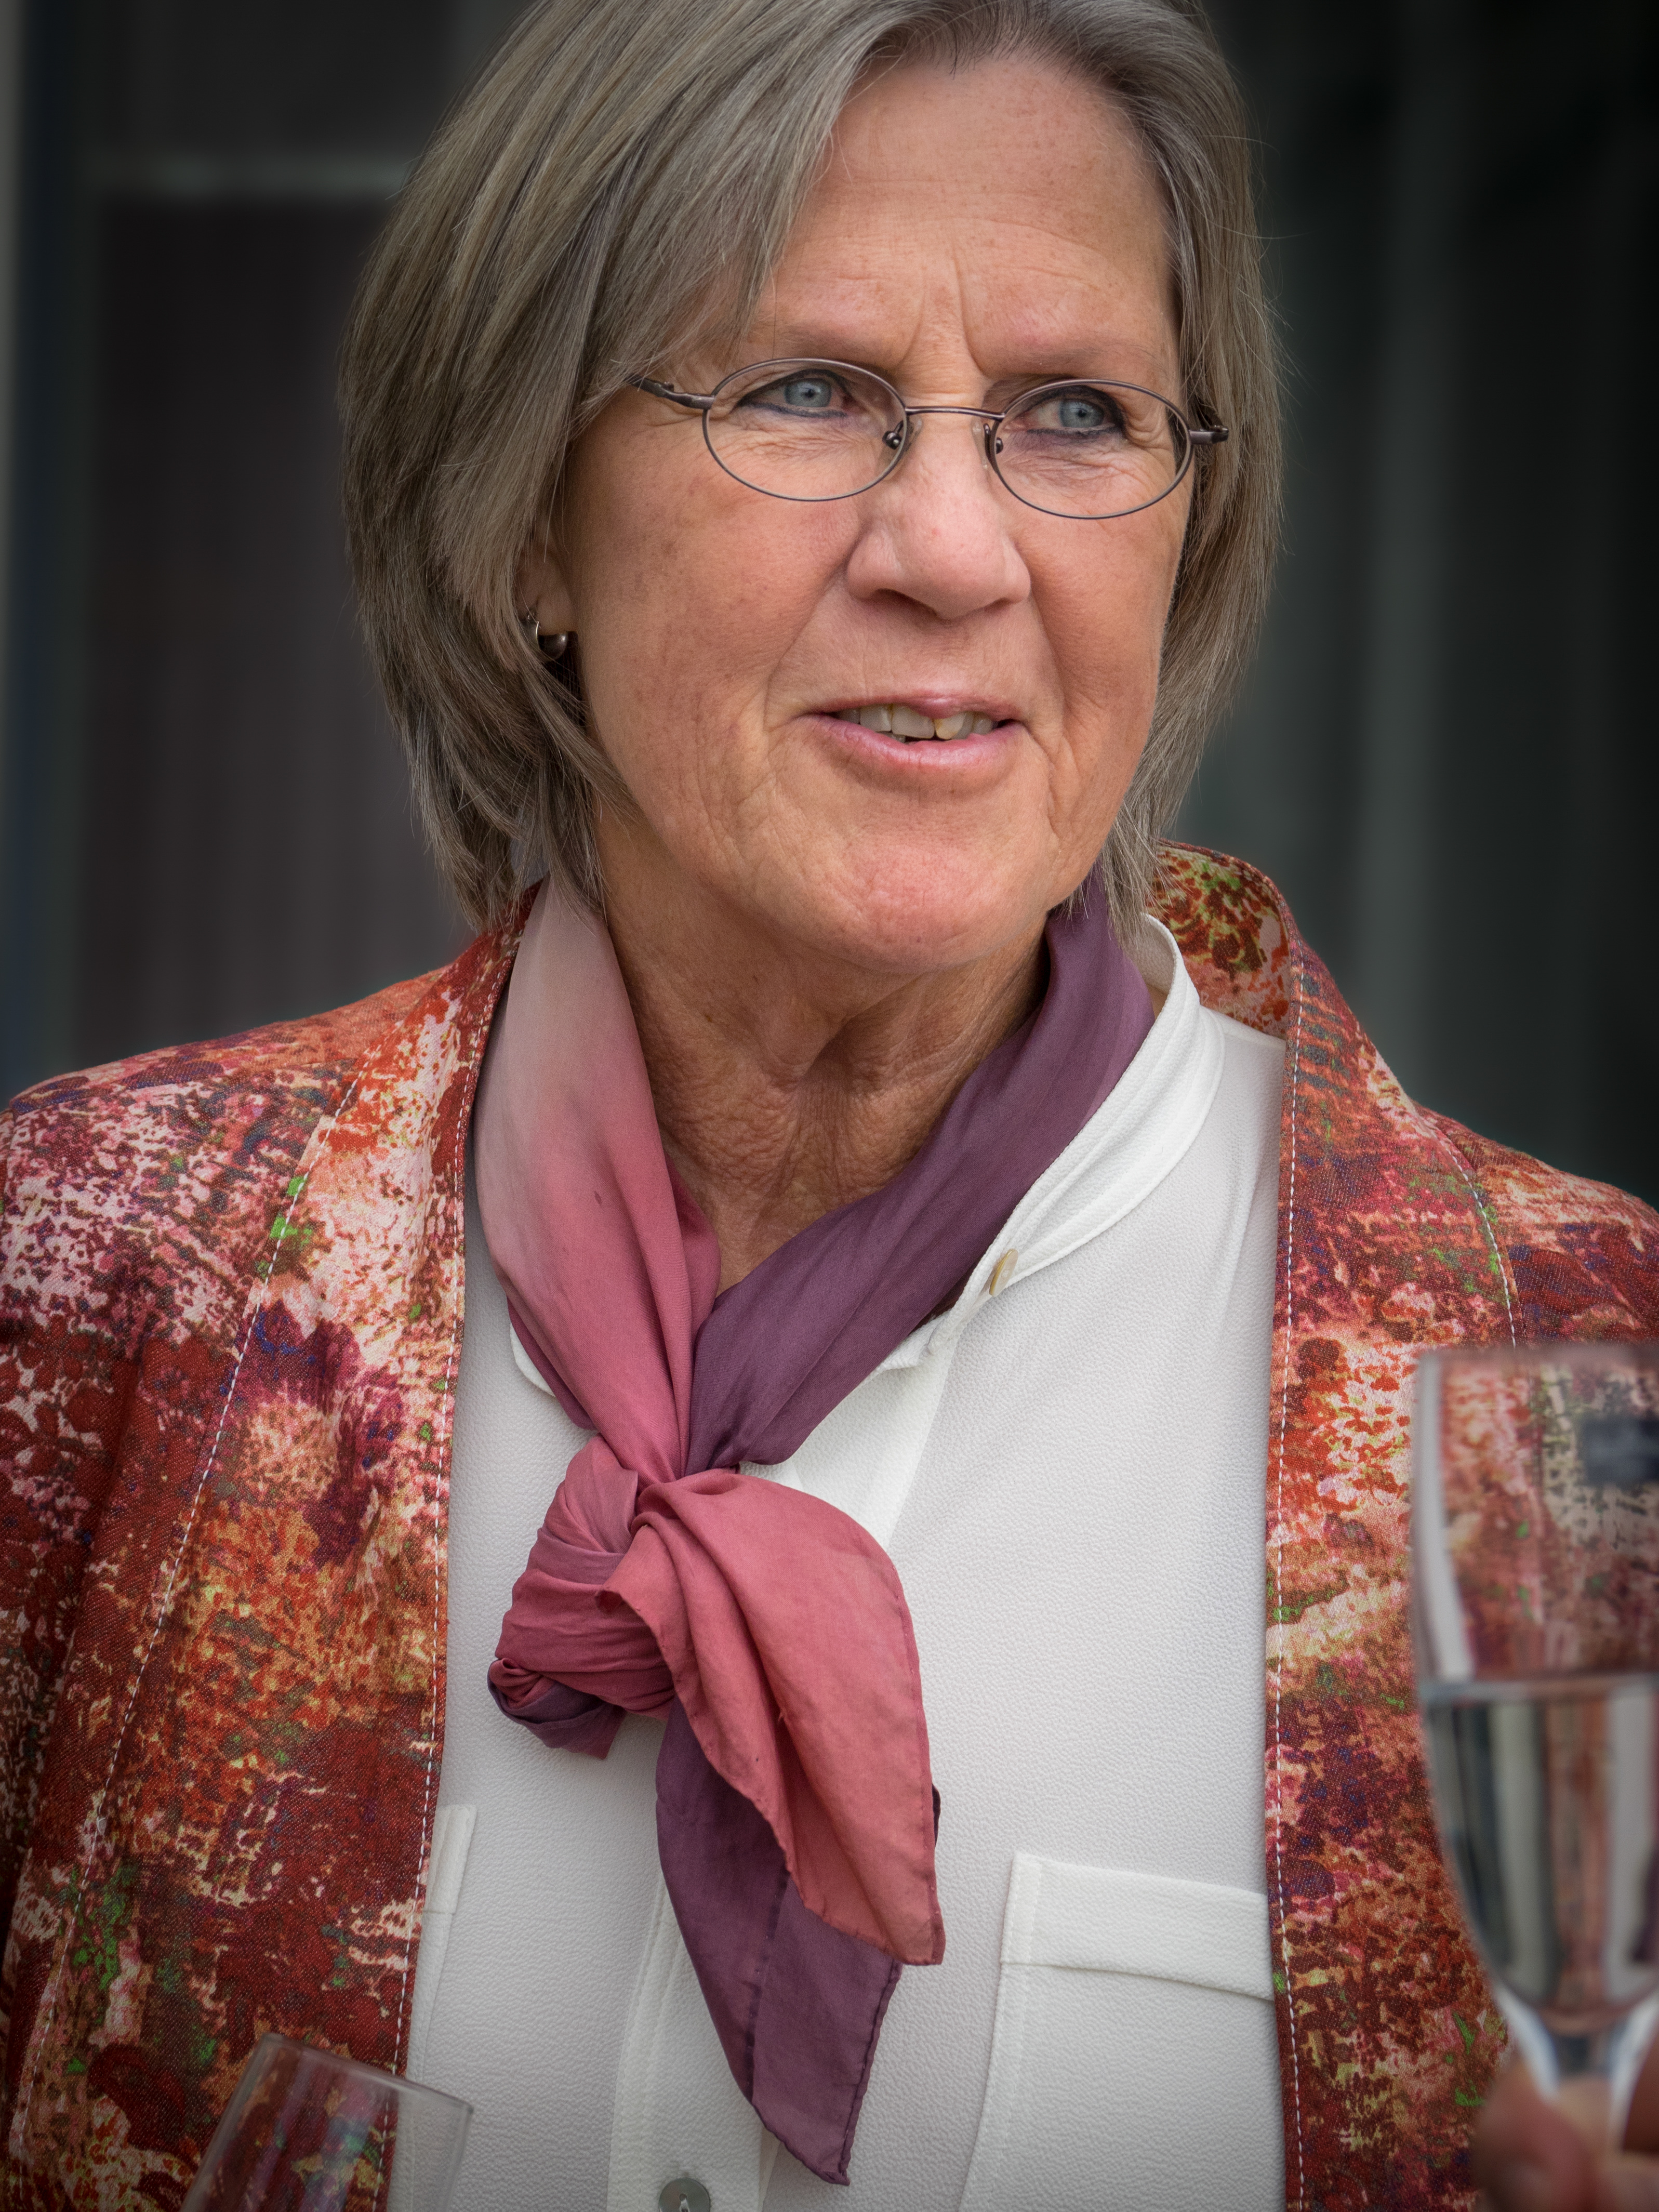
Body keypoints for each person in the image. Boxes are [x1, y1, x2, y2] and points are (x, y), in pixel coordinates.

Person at [0, 1, 1654, 2206]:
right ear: (525, 528)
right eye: (804, 390)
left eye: (1077, 414)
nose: (952, 550)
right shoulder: (89, 1287)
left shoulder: (1580, 1389)